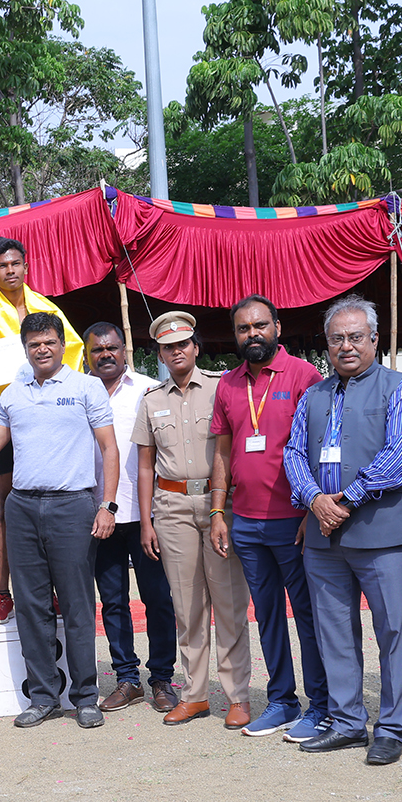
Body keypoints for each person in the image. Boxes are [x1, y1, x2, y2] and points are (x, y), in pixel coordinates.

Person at [0, 314, 117, 729]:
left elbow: (109, 449)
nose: (42, 349)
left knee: (77, 606)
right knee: (31, 607)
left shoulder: (86, 387)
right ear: (25, 350)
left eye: (49, 342)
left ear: (62, 345)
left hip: (73, 505)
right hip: (22, 507)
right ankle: (43, 697)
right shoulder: (12, 393)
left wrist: (107, 506)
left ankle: (85, 697)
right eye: (34, 344)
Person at [280, 296, 402, 764]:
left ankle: (392, 728)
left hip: (383, 535)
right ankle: (346, 723)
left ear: (374, 340)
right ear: (326, 344)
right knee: (334, 632)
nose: (346, 346)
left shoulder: (400, 388)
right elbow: (292, 453)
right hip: (324, 538)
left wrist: (345, 499)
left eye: (356, 337)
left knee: (394, 631)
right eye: (337, 338)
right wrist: (315, 499)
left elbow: (400, 455)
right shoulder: (314, 395)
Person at [209, 296, 328, 741]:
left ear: (277, 326)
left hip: (293, 520)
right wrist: (218, 512)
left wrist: (312, 509)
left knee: (307, 615)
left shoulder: (304, 375)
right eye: (243, 328)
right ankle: (281, 701)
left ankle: (321, 705)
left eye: (260, 325)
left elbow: (319, 446)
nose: (252, 334)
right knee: (269, 615)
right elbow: (222, 452)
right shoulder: (228, 384)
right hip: (246, 521)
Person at [133, 312, 254, 728]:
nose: (176, 352)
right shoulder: (151, 400)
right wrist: (147, 521)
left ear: (195, 348)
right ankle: (195, 695)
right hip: (171, 508)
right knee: (187, 608)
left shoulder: (223, 387)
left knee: (229, 603)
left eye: (183, 344)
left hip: (221, 505)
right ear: (160, 355)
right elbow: (144, 465)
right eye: (168, 347)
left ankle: (237, 696)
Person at [0, 237, 80, 624]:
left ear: (26, 266)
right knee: (0, 507)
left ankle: (51, 591)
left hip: (47, 420)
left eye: (15, 264)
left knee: (49, 506)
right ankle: (3, 594)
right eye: (2, 266)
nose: (10, 270)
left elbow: (73, 354)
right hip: (3, 419)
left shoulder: (48, 310)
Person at [84, 321, 179, 713]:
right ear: (87, 355)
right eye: (97, 349)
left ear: (126, 351)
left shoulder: (148, 390)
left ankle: (161, 678)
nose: (106, 355)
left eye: (112, 348)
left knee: (158, 599)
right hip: (98, 515)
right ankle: (127, 678)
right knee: (113, 602)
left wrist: (153, 515)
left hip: (145, 514)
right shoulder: (78, 391)